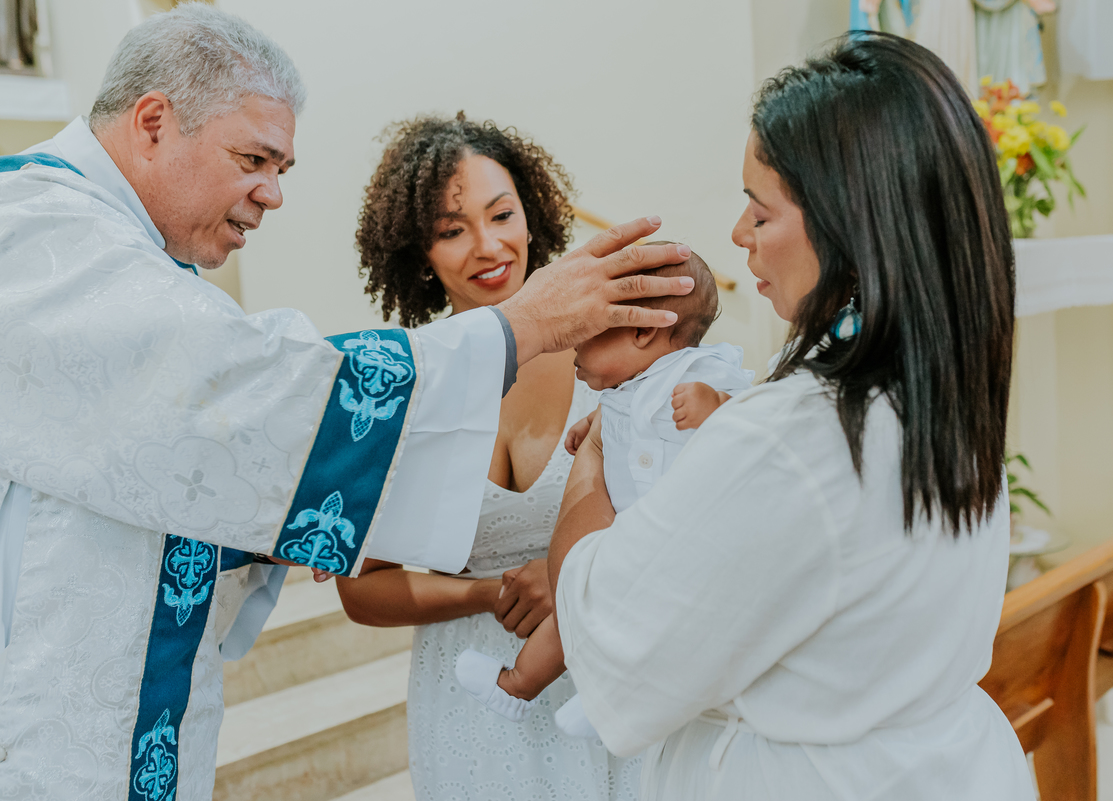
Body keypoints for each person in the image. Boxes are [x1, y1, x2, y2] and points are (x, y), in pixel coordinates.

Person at [0, 6, 692, 800]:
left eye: (282, 169)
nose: (272, 194)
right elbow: (243, 391)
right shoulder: (38, 234)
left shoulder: (123, 256)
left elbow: (169, 450)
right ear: (154, 121)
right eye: (253, 157)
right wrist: (519, 328)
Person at [547, 33, 1036, 800]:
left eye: (759, 208)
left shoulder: (795, 435)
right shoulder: (933, 395)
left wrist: (593, 460)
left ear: (852, 225)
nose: (738, 233)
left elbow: (608, 629)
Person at [331, 114, 641, 801]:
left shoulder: (614, 350)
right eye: (451, 230)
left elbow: (682, 509)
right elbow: (362, 588)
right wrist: (491, 591)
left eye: (502, 214)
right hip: (468, 691)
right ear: (421, 254)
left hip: (602, 670)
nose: (487, 245)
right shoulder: (410, 386)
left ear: (532, 217)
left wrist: (568, 575)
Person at [454, 251, 753, 737]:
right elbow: (622, 425)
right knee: (573, 610)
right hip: (624, 539)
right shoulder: (619, 393)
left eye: (589, 328)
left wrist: (713, 404)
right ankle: (515, 686)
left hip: (676, 545)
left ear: (641, 331)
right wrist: (593, 425)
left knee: (652, 624)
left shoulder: (697, 370)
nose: (573, 339)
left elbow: (749, 416)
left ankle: (615, 701)